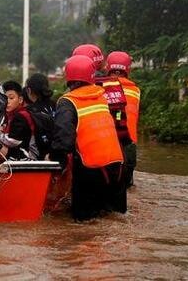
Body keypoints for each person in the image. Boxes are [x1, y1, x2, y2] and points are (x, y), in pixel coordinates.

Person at [51, 55, 125, 221]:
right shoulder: (102, 96)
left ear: (68, 77)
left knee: (84, 225)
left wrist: (56, 161)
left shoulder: (68, 102)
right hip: (118, 165)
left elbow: (63, 140)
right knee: (114, 219)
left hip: (91, 168)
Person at [106, 51, 140, 187]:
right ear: (128, 69)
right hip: (130, 143)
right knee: (126, 186)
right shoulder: (136, 90)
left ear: (108, 68)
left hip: (110, 143)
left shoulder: (101, 88)